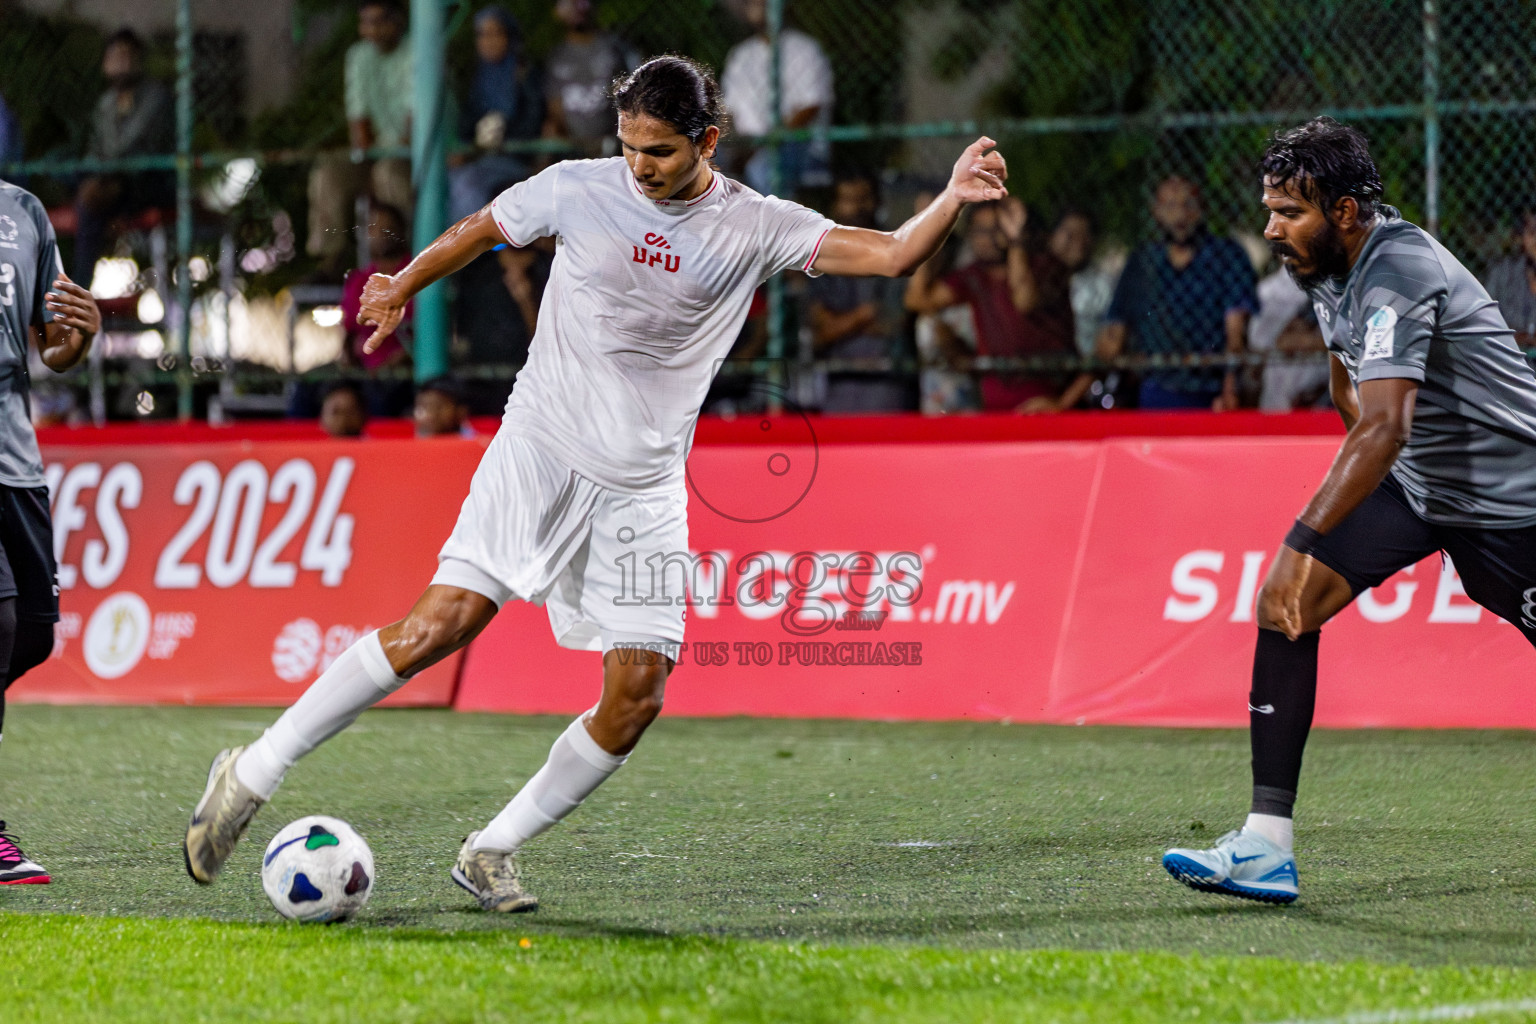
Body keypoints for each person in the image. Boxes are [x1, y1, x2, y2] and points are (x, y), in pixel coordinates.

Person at [181, 54, 1008, 913]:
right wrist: (402, 285)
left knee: (636, 697)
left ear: (707, 142)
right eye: (628, 147)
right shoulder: (580, 186)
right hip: (541, 445)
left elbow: (894, 255)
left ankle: (491, 849)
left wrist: (948, 198)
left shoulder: (756, 223)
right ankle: (252, 770)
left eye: (658, 151)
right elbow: (484, 227)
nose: (639, 166)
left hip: (643, 489)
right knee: (442, 624)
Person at [1162, 117, 1536, 905]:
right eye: (1267, 210)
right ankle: (1266, 846)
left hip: (1514, 500)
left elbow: (1385, 421)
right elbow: (1349, 387)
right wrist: (1349, 525)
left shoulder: (1397, 266)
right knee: (1285, 602)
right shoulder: (1320, 265)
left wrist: (1308, 530)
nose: (1271, 230)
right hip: (1424, 489)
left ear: (1343, 211)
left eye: (1287, 213)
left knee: (1295, 565)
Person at [0, 178, 102, 884]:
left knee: (35, 630)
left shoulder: (23, 209)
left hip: (15, 455)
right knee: (0, 623)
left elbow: (52, 345)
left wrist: (80, 338)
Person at [907, 197, 1086, 413]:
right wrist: (926, 229)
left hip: (1044, 404)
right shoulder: (974, 276)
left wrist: (1016, 243)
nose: (986, 238)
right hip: (995, 407)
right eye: (979, 230)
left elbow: (1024, 301)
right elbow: (917, 299)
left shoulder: (1045, 267)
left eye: (995, 228)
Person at [1097, 176, 1257, 410]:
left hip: (1209, 389)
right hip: (1154, 388)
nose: (1180, 215)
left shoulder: (1226, 256)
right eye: (1170, 206)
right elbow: (1114, 334)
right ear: (1157, 211)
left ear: (1202, 209)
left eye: (1189, 205)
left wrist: (1229, 387)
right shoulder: (1143, 262)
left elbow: (1236, 334)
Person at [306, 0, 414, 278]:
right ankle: (331, 257)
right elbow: (358, 116)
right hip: (375, 153)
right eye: (366, 23)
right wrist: (364, 162)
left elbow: (414, 124)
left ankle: (405, 256)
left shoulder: (416, 51)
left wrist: (378, 165)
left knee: (388, 173)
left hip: (411, 152)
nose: (372, 30)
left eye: (379, 22)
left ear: (396, 22)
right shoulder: (359, 56)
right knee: (328, 173)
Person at [73, 28, 174, 286]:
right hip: (110, 181)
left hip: (146, 180)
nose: (121, 62)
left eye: (127, 55)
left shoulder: (154, 97)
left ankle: (78, 290)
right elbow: (96, 149)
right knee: (77, 179)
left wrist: (104, 170)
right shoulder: (106, 103)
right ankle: (78, 292)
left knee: (92, 199)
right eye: (115, 56)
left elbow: (129, 146)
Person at [806, 173, 910, 413]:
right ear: (835, 204)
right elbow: (821, 333)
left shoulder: (896, 249)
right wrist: (864, 316)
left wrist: (843, 322)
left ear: (877, 202)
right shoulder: (820, 253)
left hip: (888, 382)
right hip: (840, 383)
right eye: (849, 199)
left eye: (863, 199)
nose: (857, 207)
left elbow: (895, 322)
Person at [719, 0, 833, 196]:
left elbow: (809, 108)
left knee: (764, 168)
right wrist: (730, 144)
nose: (756, 5)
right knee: (704, 158)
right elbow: (728, 112)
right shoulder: (740, 55)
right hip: (745, 145)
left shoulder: (804, 49)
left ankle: (773, 225)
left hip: (794, 144)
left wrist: (762, 146)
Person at [447, 7, 544, 224]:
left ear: (509, 36)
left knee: (468, 184)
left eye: (495, 33)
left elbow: (533, 122)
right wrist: (476, 141)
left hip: (516, 157)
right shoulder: (477, 76)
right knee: (447, 181)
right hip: (481, 158)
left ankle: (473, 254)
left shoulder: (524, 72)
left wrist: (502, 131)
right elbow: (467, 125)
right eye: (482, 34)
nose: (488, 41)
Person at [339, 203, 413, 416]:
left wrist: (397, 361)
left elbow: (423, 335)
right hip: (364, 371)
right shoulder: (358, 279)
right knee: (314, 389)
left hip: (402, 372)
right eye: (373, 228)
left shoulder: (417, 274)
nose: (379, 234)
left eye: (386, 228)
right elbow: (349, 333)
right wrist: (348, 361)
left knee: (380, 397)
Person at [542, 0, 638, 158]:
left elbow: (630, 97)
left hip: (612, 144)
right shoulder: (556, 57)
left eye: (581, 3)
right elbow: (554, 106)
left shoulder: (614, 50)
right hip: (572, 148)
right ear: (558, 12)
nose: (577, 9)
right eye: (570, 4)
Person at [1248, 266, 1329, 411]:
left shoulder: (1334, 284)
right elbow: (1283, 341)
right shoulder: (1269, 289)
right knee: (1277, 371)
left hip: (1327, 363)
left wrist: (1313, 341)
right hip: (1288, 363)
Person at [1483, 207, 1536, 349]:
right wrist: (1519, 338)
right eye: (1532, 233)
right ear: (1522, 236)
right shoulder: (1503, 274)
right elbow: (1483, 325)